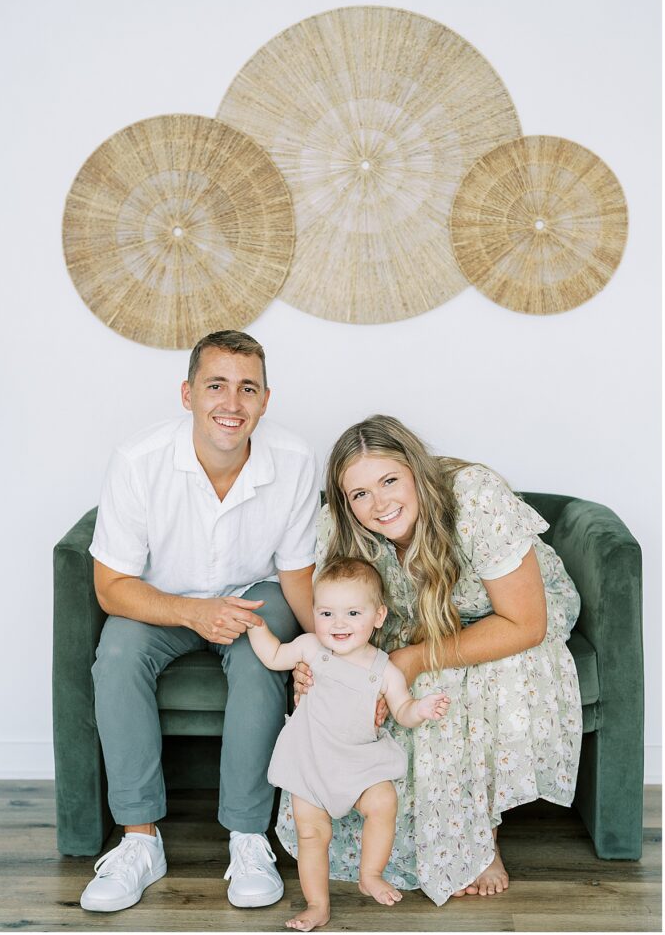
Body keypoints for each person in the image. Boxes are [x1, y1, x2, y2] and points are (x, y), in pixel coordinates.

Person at [282, 415, 582, 906]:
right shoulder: (340, 527)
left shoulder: (475, 498)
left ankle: (479, 840)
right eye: (359, 495)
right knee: (366, 688)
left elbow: (527, 623)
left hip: (511, 615)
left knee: (456, 679)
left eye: (389, 481)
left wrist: (417, 658)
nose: (378, 505)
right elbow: (340, 618)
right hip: (417, 622)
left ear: (416, 471)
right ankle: (409, 842)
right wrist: (316, 663)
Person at [79, 330, 319, 913]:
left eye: (247, 389)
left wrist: (322, 651)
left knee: (263, 655)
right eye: (216, 386)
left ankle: (247, 836)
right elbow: (111, 588)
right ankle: (140, 840)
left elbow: (296, 577)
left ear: (266, 399)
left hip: (252, 598)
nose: (231, 404)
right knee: (115, 655)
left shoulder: (295, 460)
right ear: (187, 394)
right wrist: (193, 612)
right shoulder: (137, 462)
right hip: (162, 598)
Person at [246, 556, 450, 932]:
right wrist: (257, 627)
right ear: (314, 613)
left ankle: (370, 874)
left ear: (378, 616)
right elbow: (274, 656)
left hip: (359, 762)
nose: (338, 624)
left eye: (353, 612)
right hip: (311, 760)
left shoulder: (383, 667)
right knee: (312, 834)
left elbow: (401, 709)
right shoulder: (309, 648)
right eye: (327, 613)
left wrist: (420, 708)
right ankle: (317, 904)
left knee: (383, 800)